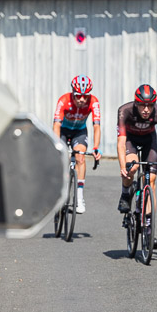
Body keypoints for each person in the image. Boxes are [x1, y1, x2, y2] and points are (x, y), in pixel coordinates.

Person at [116, 84, 157, 249]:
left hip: (148, 141)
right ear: (136, 103)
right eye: (142, 105)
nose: (146, 109)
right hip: (130, 139)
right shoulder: (125, 111)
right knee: (133, 167)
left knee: (151, 180)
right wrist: (123, 166)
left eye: (150, 105)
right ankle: (125, 194)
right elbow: (121, 142)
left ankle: (149, 228)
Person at [52, 74, 102, 214]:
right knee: (63, 157)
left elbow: (96, 126)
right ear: (73, 93)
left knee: (80, 157)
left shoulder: (94, 102)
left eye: (85, 96)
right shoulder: (64, 100)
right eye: (78, 95)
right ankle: (59, 189)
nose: (82, 99)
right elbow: (56, 125)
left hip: (79, 132)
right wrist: (57, 145)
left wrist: (96, 147)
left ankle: (79, 198)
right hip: (63, 131)